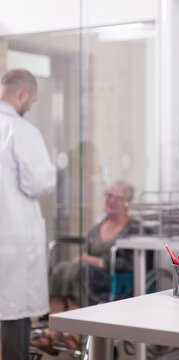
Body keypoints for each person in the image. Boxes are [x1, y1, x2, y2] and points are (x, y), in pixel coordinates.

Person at [31, 180, 141, 354]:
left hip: (112, 279)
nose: (110, 200)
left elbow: (132, 262)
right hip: (88, 273)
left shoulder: (134, 228)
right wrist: (87, 260)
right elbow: (87, 252)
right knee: (61, 269)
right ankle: (54, 334)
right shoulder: (99, 226)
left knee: (79, 272)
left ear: (127, 202)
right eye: (108, 195)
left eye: (117, 197)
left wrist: (100, 262)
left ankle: (74, 338)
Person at [0, 69, 57, 360]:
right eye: (32, 100)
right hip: (12, 243)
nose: (31, 106)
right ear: (23, 95)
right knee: (13, 320)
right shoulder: (20, 130)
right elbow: (40, 182)